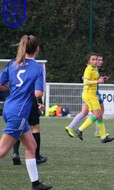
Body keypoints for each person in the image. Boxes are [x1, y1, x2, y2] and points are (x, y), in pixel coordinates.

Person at [0, 35, 52, 189]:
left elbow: (1, 83)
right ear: (37, 49)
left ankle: (35, 184)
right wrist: (36, 99)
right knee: (2, 151)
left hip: (9, 108)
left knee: (31, 146)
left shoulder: (13, 63)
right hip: (20, 113)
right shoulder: (37, 67)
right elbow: (38, 93)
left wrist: (14, 90)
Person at [65, 54, 114, 143]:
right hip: (89, 94)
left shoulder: (94, 69)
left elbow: (94, 79)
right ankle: (80, 129)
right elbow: (85, 82)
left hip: (93, 94)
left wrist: (102, 79)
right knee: (95, 114)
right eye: (93, 59)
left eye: (97, 59)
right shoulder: (88, 69)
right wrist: (97, 81)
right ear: (89, 61)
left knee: (98, 115)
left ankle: (103, 136)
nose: (96, 61)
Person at [12, 97, 48, 165]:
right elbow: (38, 93)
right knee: (34, 128)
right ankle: (36, 156)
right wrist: (40, 103)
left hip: (17, 101)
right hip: (30, 101)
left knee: (19, 127)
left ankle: (15, 153)